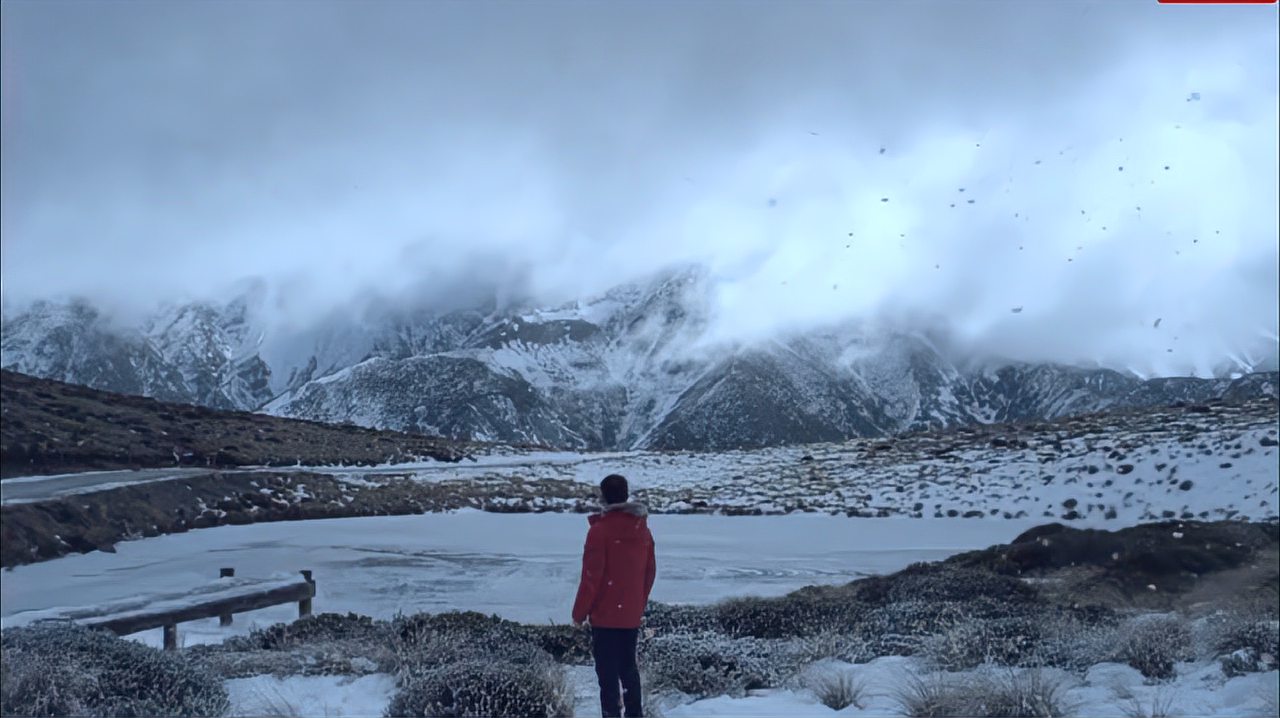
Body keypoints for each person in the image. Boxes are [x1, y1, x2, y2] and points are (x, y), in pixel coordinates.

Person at [573, 474, 657, 718]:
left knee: (607, 675)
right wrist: (638, 603)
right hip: (630, 614)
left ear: (603, 496)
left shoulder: (599, 532)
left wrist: (579, 613)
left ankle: (611, 715)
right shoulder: (643, 530)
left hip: (605, 615)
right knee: (629, 669)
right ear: (626, 494)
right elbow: (650, 572)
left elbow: (591, 578)